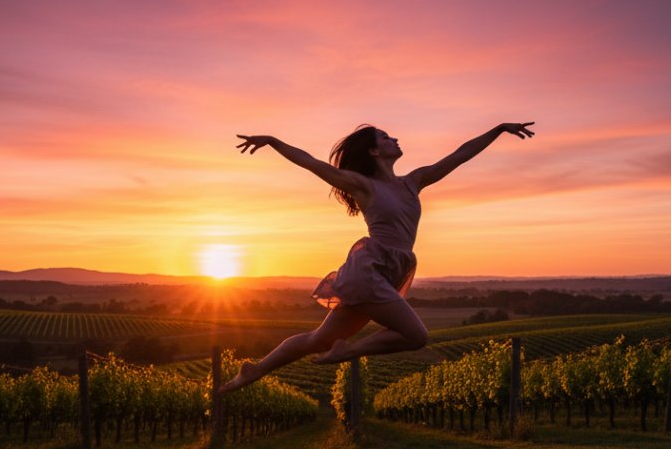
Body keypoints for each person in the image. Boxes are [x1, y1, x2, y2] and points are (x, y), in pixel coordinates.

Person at [218, 121, 535, 393]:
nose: (394, 138)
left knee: (318, 340)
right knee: (416, 335)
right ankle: (347, 352)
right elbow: (312, 163)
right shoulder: (363, 185)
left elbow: (460, 155)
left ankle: (255, 369)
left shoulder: (413, 182)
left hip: (390, 270)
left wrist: (497, 130)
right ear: (373, 151)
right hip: (369, 271)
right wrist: (274, 142)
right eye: (385, 137)